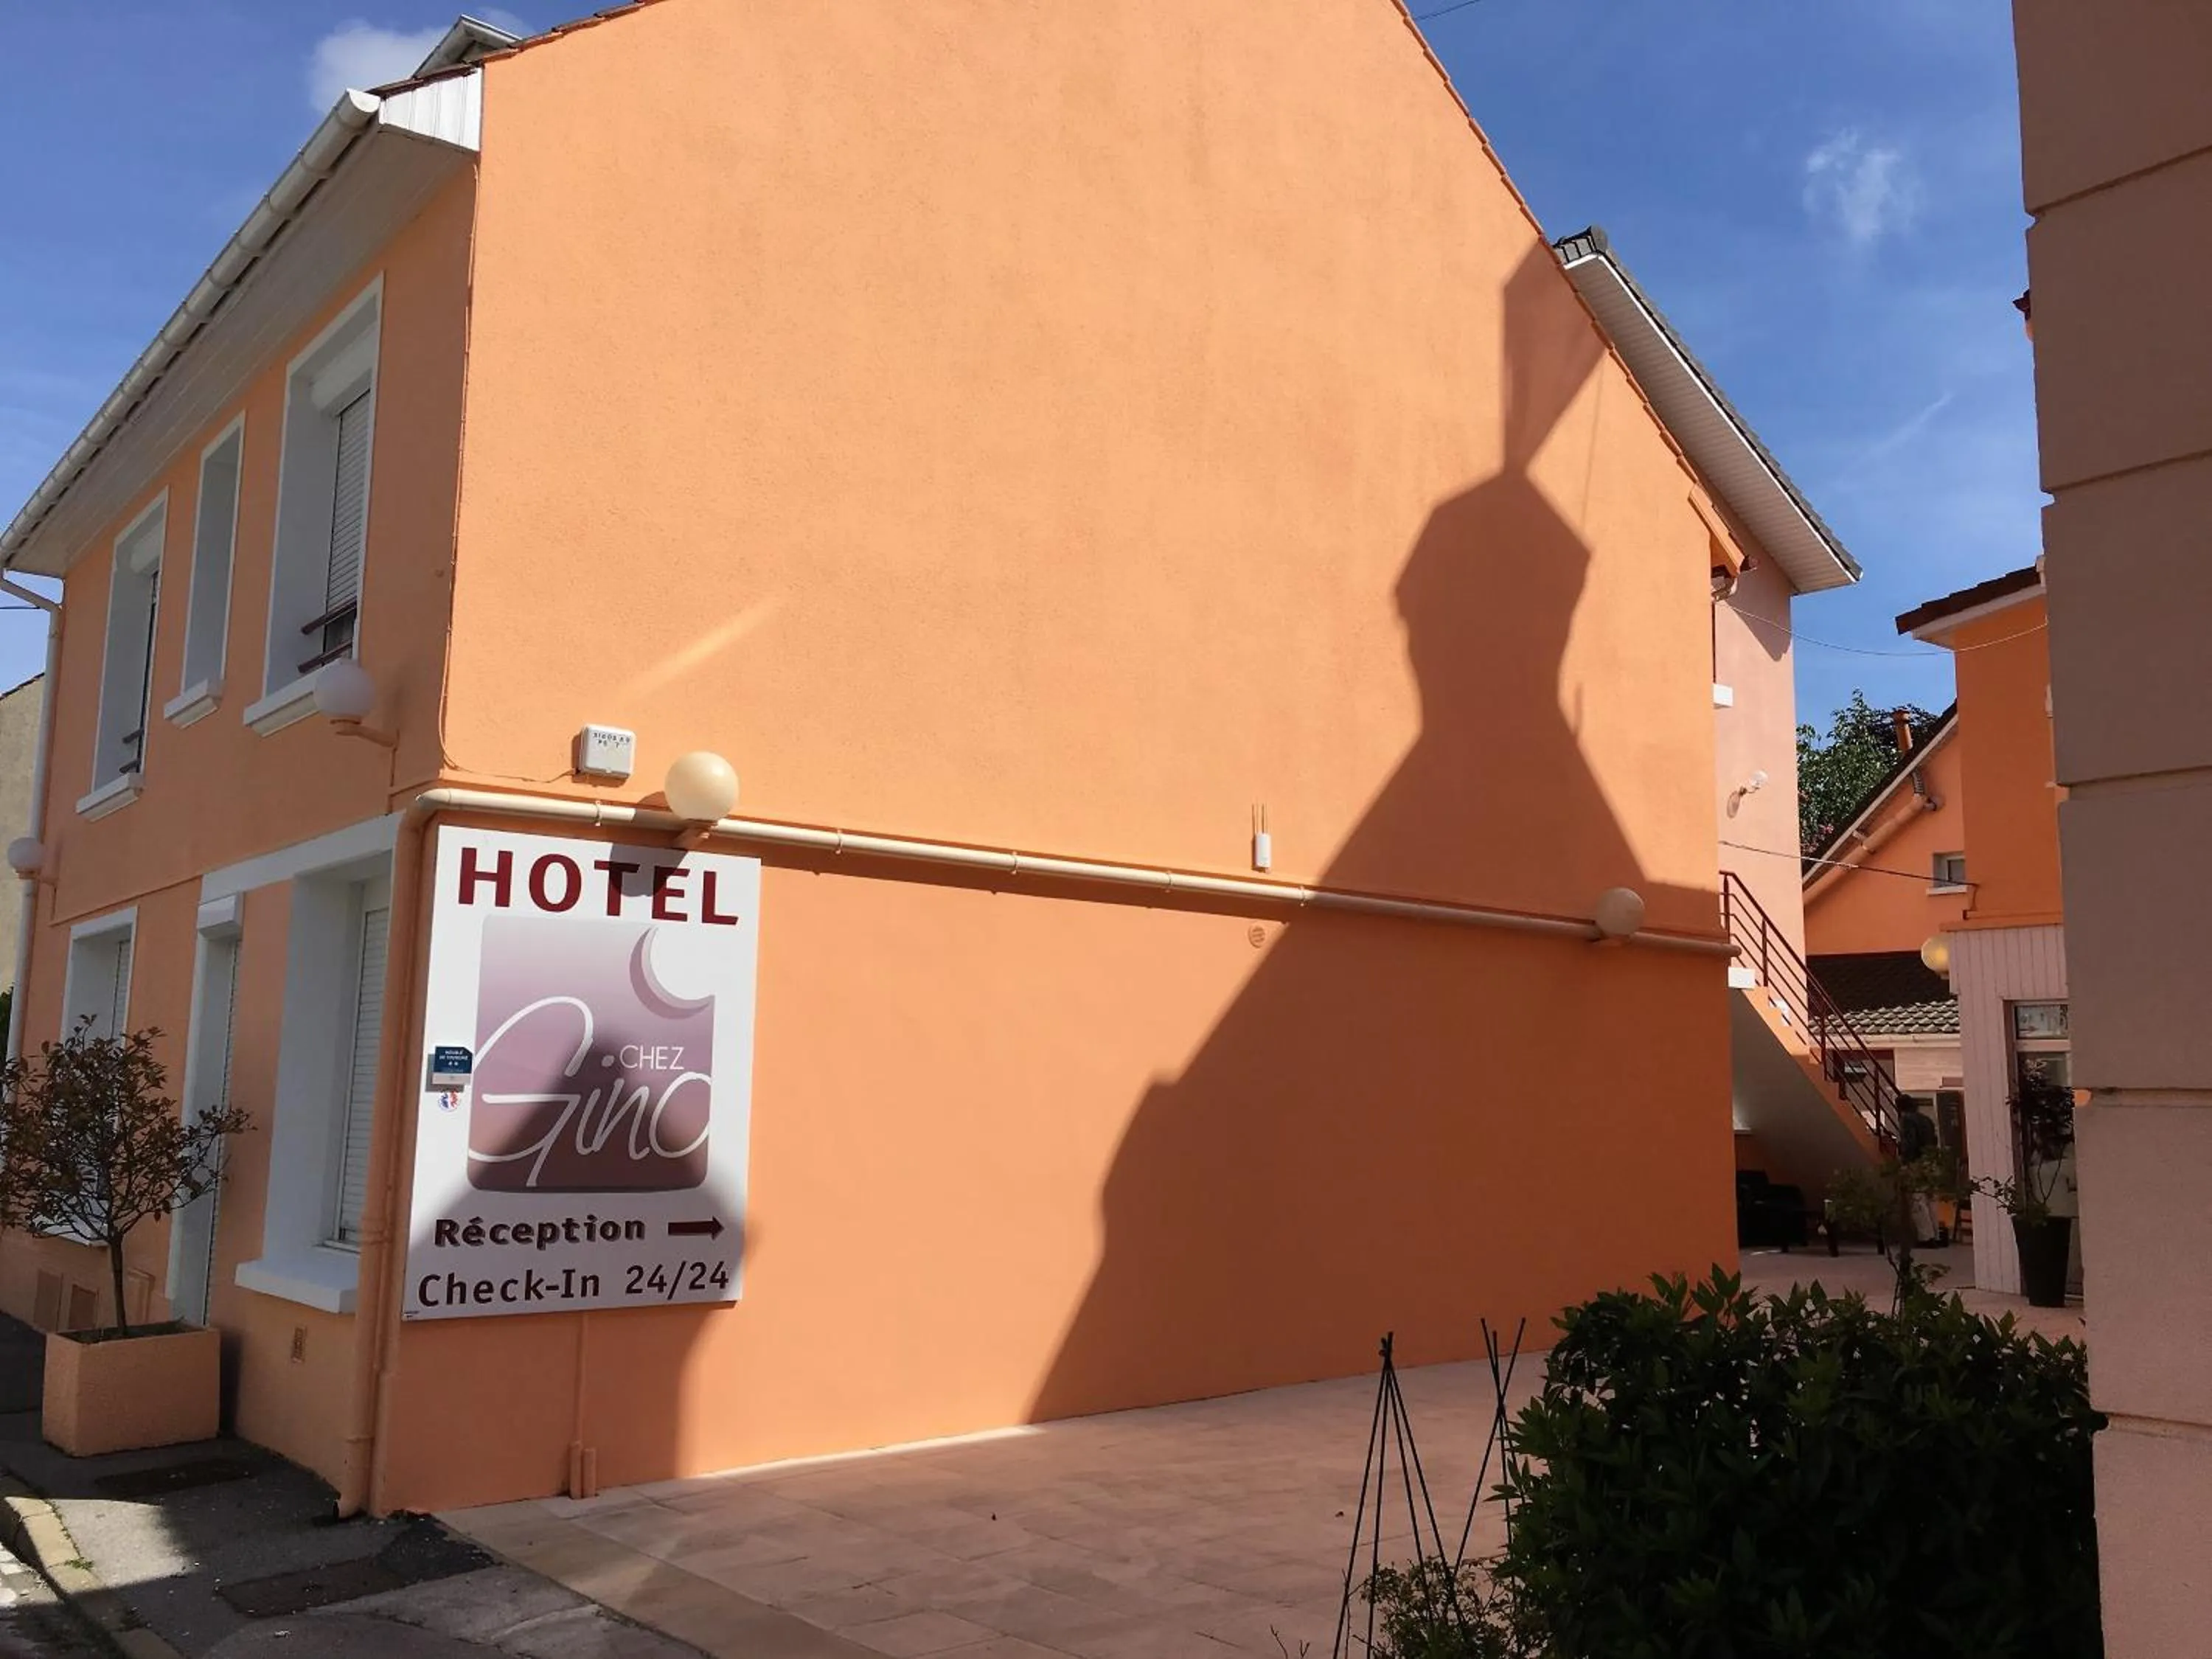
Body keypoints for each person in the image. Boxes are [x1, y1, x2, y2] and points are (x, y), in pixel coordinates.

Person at [1894, 1095, 1942, 1247]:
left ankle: (1926, 1237)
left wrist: (1905, 1161)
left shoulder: (1906, 1120)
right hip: (1930, 1160)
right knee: (1931, 1199)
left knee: (1918, 1200)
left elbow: (1910, 1143)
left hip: (1916, 1162)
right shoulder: (1926, 1119)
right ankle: (1936, 1234)